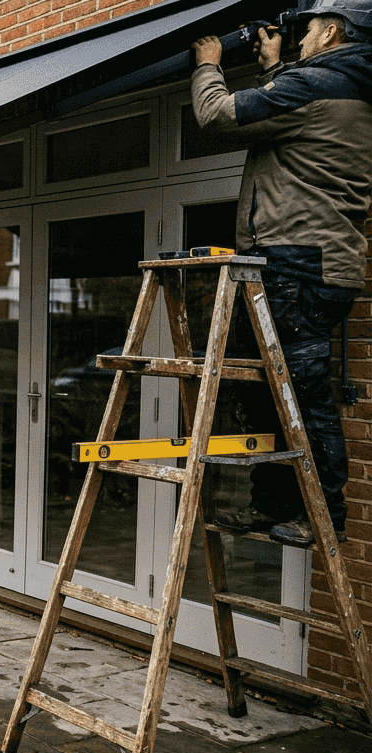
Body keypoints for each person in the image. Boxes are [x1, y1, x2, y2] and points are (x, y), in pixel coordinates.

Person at [192, 1, 372, 546]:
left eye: (307, 31)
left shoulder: (318, 84)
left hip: (298, 263)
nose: (298, 40)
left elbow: (217, 116)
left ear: (332, 32)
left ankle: (324, 517)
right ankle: (272, 506)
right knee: (272, 393)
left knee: (301, 396)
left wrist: (208, 64)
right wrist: (274, 69)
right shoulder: (340, 86)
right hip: (304, 261)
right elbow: (292, 122)